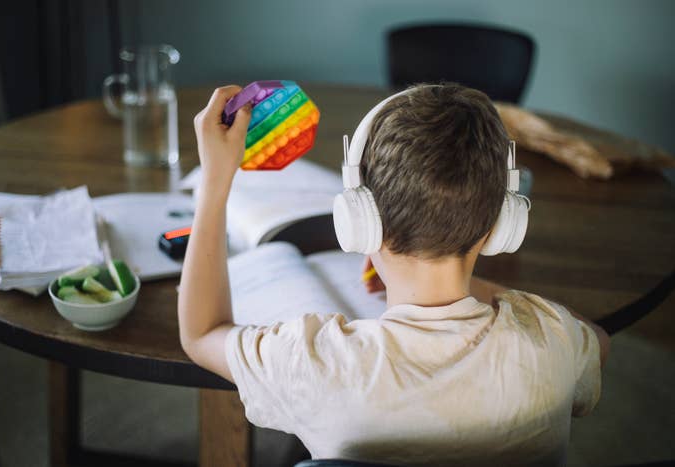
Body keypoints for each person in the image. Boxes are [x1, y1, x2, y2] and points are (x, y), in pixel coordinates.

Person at [178, 83, 610, 467]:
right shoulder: (553, 341)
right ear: (502, 225)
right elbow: (599, 342)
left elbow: (201, 333)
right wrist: (487, 289)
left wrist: (216, 180)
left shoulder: (313, 363)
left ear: (359, 223)